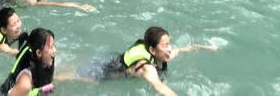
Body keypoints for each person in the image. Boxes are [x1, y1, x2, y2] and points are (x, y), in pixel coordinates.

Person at [73, 25, 216, 96]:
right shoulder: (148, 68)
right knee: (68, 76)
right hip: (101, 74)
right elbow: (159, 86)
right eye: (165, 46)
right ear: (152, 50)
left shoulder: (163, 55)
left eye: (169, 44)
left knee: (72, 69)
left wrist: (202, 47)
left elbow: (180, 50)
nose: (170, 49)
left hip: (110, 64)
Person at [0, 27, 56, 95]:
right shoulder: (25, 83)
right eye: (51, 47)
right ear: (39, 53)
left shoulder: (45, 65)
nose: (54, 50)